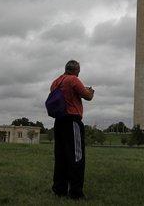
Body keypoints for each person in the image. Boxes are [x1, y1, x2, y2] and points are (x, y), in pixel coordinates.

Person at [51, 60, 94, 199]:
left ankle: (59, 190)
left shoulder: (56, 82)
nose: (79, 73)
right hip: (72, 121)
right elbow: (87, 96)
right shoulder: (73, 80)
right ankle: (76, 193)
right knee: (76, 157)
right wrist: (91, 91)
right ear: (76, 70)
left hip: (59, 122)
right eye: (79, 71)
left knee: (60, 156)